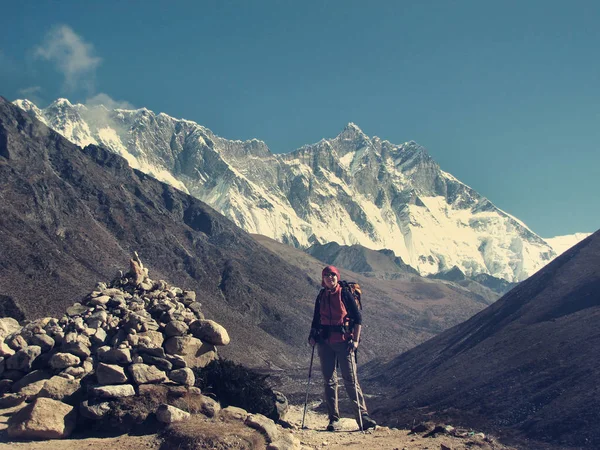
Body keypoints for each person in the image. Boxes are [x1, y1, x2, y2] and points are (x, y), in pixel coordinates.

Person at [308, 265, 377, 431]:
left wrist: (356, 341)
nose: (330, 278)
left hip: (344, 342)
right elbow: (316, 319)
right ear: (323, 279)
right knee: (329, 381)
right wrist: (312, 335)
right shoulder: (321, 296)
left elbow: (357, 318)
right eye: (327, 276)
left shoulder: (344, 294)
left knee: (350, 379)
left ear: (337, 277)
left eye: (333, 275)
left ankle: (363, 417)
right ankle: (334, 419)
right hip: (325, 342)